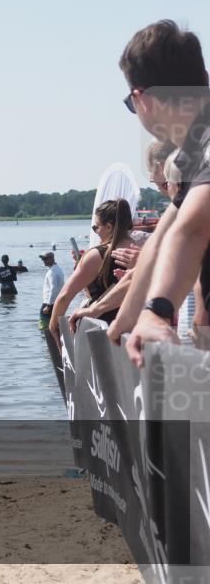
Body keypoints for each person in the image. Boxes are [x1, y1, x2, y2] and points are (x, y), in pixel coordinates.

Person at [104, 20, 210, 364]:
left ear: (142, 99)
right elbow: (165, 236)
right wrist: (126, 319)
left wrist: (157, 311)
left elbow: (192, 229)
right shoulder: (195, 147)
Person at [48, 199, 136, 344]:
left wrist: (53, 327)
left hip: (104, 331)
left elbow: (64, 296)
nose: (95, 232)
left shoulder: (97, 255)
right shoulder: (142, 248)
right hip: (137, 327)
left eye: (96, 228)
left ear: (109, 227)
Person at [38, 251, 65, 332]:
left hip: (49, 303)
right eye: (43, 259)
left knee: (44, 326)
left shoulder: (52, 272)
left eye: (45, 259)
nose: (44, 261)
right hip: (56, 302)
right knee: (54, 325)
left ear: (52, 259)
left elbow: (54, 289)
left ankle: (45, 343)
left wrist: (48, 306)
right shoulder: (58, 269)